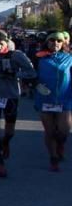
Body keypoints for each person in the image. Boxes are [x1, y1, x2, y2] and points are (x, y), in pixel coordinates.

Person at [0, 31, 36, 178]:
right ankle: (0, 163)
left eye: (1, 43)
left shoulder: (16, 55)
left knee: (9, 130)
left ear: (7, 43)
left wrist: (15, 74)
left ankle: (5, 142)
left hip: (11, 96)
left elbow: (32, 72)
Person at [32, 32, 71, 172]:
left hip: (64, 99)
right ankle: (53, 158)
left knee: (64, 131)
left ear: (62, 43)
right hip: (45, 99)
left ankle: (60, 144)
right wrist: (35, 84)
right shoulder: (38, 58)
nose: (55, 43)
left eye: (59, 41)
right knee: (49, 132)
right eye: (52, 40)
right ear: (47, 42)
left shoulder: (69, 58)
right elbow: (29, 74)